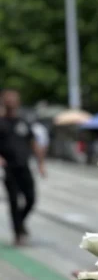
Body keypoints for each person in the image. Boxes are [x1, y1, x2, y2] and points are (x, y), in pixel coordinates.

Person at [0, 89, 46, 246]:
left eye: (14, 99)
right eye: (8, 100)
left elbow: (33, 143)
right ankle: (18, 233)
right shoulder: (1, 122)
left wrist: (41, 164)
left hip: (24, 166)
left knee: (31, 199)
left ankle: (20, 223)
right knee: (13, 201)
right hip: (9, 168)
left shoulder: (24, 122)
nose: (11, 102)